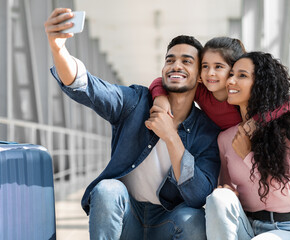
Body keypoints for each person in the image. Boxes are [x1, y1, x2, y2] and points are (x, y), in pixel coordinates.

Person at [44, 8, 220, 240]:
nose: (176, 65)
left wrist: (171, 137)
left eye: (187, 61)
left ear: (199, 76)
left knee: (194, 220)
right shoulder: (136, 101)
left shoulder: (206, 131)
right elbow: (88, 87)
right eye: (170, 60)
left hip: (168, 221)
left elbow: (198, 196)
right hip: (128, 214)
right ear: (163, 69)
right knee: (107, 190)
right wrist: (58, 49)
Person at [205, 52, 290, 240]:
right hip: (245, 226)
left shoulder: (285, 131)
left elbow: (289, 195)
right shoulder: (225, 139)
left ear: (260, 84)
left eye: (242, 75)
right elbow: (226, 189)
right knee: (218, 198)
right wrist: (226, 190)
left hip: (286, 229)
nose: (231, 81)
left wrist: (248, 156)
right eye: (231, 74)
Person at [150, 37, 290, 131]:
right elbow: (160, 81)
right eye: (205, 66)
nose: (210, 73)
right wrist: (160, 99)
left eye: (219, 67)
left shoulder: (241, 96)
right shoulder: (201, 90)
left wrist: (256, 121)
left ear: (233, 69)